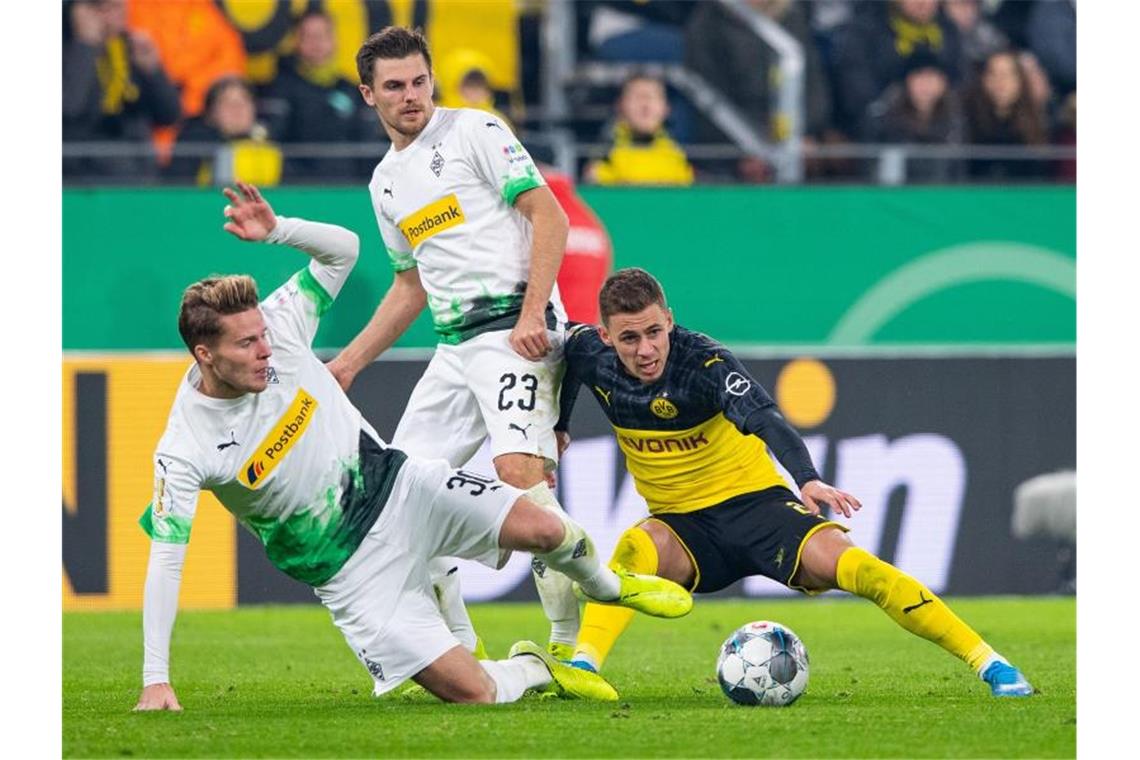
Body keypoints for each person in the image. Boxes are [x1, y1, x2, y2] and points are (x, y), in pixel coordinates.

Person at [132, 184, 692, 711]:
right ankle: (538, 667)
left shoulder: (280, 327)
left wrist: (280, 230)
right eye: (246, 343)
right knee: (475, 693)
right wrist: (156, 677)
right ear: (205, 356)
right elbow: (166, 558)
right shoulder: (186, 447)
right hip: (350, 574)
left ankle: (611, 588)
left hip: (405, 489)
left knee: (546, 528)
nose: (265, 350)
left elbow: (342, 252)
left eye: (262, 335)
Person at [555, 268, 1034, 699]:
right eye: (630, 338)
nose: (646, 350)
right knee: (633, 551)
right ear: (605, 336)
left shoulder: (702, 364)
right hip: (683, 529)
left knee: (864, 571)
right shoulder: (589, 353)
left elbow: (765, 418)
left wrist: (807, 479)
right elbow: (568, 360)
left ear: (670, 321)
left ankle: (992, 665)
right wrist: (559, 423)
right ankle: (583, 668)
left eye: (656, 332)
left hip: (759, 511)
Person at [326, 27, 581, 662]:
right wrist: (348, 363)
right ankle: (461, 647)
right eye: (394, 86)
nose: (411, 96)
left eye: (419, 81)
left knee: (521, 475)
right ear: (367, 94)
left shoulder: (476, 131)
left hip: (513, 330)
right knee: (406, 497)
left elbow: (550, 216)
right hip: (454, 346)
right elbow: (411, 287)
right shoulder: (385, 182)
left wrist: (531, 315)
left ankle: (570, 649)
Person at [62, 0, 181, 180]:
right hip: (81, 176)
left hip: (138, 172)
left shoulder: (133, 48)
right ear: (81, 12)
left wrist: (154, 71)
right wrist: (85, 45)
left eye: (121, 6)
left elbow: (169, 115)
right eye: (108, 7)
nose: (120, 13)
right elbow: (69, 107)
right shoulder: (68, 48)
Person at [267, 9, 372, 182]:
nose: (316, 43)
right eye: (309, 36)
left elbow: (367, 146)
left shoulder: (353, 90)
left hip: (349, 189)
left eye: (322, 35)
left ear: (334, 40)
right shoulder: (281, 89)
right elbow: (274, 141)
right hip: (298, 189)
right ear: (297, 42)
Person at [167, 76, 283, 187]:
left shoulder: (272, 146)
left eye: (244, 101)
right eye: (227, 103)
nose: (237, 109)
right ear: (211, 113)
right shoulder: (194, 146)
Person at [584, 73, 695, 186]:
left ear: (666, 108)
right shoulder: (601, 156)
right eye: (637, 97)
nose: (645, 105)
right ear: (620, 106)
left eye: (653, 97)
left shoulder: (682, 157)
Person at [963, 49, 1048, 181]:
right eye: (993, 74)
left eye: (1008, 74)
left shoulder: (1039, 124)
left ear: (1020, 80)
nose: (1000, 81)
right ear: (984, 80)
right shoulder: (966, 123)